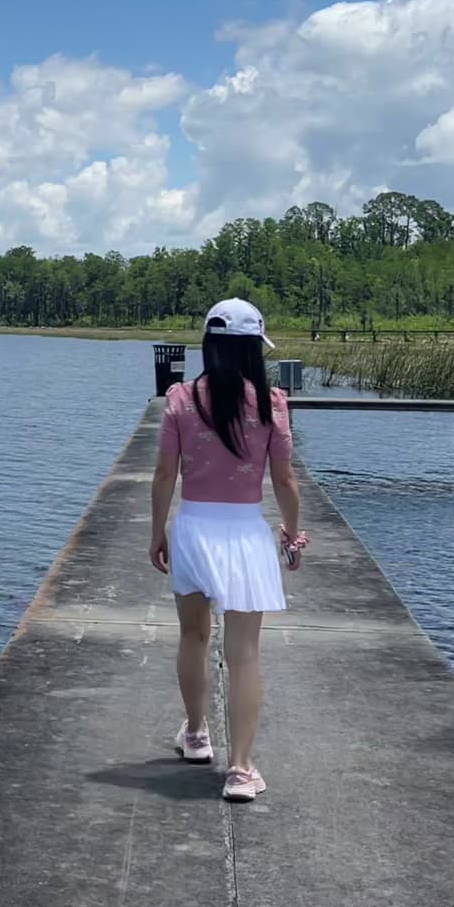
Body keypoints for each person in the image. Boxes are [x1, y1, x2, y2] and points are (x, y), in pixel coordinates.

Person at [149, 298, 307, 802]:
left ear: (209, 344)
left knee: (193, 637)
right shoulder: (271, 403)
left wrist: (158, 531)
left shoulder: (180, 398)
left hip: (193, 527)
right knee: (244, 654)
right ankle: (241, 770)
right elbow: (283, 479)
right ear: (252, 349)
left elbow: (163, 474)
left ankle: (196, 735)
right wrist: (292, 531)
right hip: (244, 533)